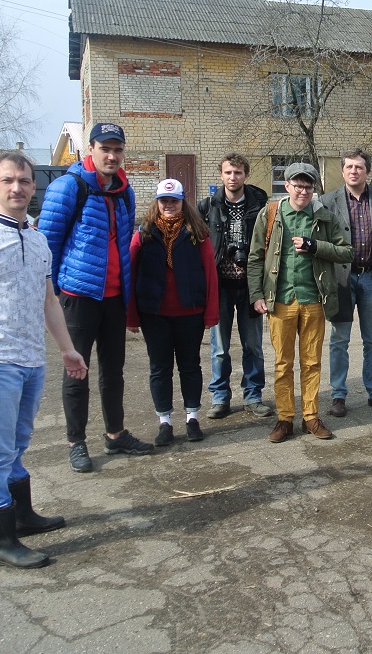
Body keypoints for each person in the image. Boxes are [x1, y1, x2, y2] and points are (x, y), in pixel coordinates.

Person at [0, 152, 89, 569]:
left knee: (17, 442)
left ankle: (21, 516)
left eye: (24, 181)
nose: (17, 188)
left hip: (31, 360)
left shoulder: (39, 238)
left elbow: (49, 302)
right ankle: (0, 539)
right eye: (8, 180)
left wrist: (66, 348)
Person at [41, 122, 153, 472]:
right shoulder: (68, 187)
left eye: (118, 149)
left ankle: (115, 434)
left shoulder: (124, 191)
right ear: (90, 149)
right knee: (77, 370)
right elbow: (47, 246)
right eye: (105, 148)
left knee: (113, 370)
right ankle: (76, 442)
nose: (112, 155)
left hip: (114, 296)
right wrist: (56, 293)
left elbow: (123, 242)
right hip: (78, 295)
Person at [247, 163, 353, 443]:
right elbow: (256, 256)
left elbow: (346, 252)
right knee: (283, 363)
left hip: (313, 300)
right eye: (298, 185)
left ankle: (310, 417)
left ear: (314, 188)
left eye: (308, 186)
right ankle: (284, 419)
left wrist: (315, 245)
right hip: (279, 301)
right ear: (287, 185)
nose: (303, 191)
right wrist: (256, 295)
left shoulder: (324, 217)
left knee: (311, 362)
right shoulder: (270, 214)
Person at [127, 179, 220, 446]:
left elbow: (210, 275)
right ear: (157, 203)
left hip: (189, 313)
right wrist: (131, 315)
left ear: (182, 203)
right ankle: (164, 422)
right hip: (153, 314)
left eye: (174, 201)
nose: (169, 206)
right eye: (164, 201)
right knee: (160, 368)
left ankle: (192, 417)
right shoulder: (143, 234)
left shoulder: (197, 234)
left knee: (190, 366)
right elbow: (131, 275)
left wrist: (210, 313)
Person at [197, 154, 272, 420]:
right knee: (219, 348)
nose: (233, 177)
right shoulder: (207, 207)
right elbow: (196, 245)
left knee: (253, 346)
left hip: (251, 285)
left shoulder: (261, 205)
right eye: (228, 172)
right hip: (220, 287)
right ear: (221, 174)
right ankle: (220, 397)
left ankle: (253, 395)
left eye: (238, 173)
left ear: (246, 175)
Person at [322, 149, 372, 417]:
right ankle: (338, 395)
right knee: (339, 339)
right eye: (349, 167)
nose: (354, 171)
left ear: (368, 171)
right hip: (341, 279)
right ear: (342, 171)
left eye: (359, 167)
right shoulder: (328, 200)